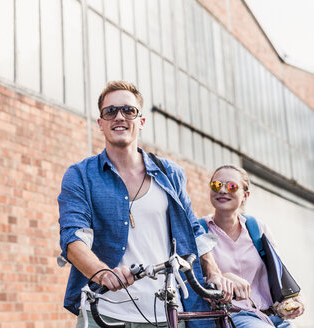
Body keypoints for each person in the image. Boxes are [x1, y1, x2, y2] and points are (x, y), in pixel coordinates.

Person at [57, 81, 232, 328]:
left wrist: (213, 273)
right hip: (105, 312)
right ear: (100, 123)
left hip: (166, 311)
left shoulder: (170, 173)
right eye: (110, 111)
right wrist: (103, 273)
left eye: (128, 110)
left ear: (141, 121)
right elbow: (73, 239)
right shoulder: (81, 175)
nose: (119, 117)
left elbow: (194, 230)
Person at [201, 164, 305, 327]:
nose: (222, 190)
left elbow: (277, 270)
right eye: (216, 185)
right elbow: (187, 281)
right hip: (232, 316)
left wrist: (293, 298)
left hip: (271, 317)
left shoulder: (256, 227)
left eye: (232, 186)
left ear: (245, 195)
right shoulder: (199, 230)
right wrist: (223, 278)